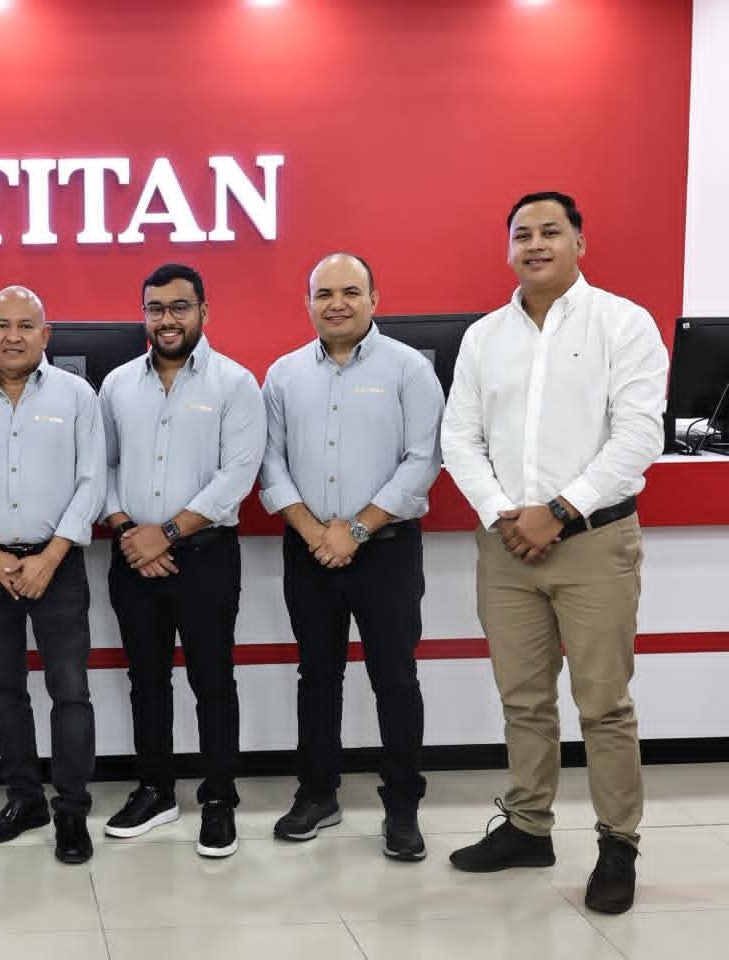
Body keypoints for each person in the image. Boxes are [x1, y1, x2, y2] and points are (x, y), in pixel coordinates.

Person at [441, 191, 669, 914]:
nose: (535, 244)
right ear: (508, 248)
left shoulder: (623, 324)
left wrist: (561, 511)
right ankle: (527, 827)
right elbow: (459, 437)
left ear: (579, 242)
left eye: (550, 231)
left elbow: (639, 436)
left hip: (594, 542)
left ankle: (617, 844)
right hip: (508, 545)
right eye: (522, 234)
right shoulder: (484, 337)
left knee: (604, 705)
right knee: (524, 700)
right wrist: (504, 514)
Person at [258, 253, 443, 861]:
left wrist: (356, 531)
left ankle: (402, 807)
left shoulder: (409, 369)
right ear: (308, 303)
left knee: (395, 679)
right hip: (309, 550)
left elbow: (423, 459)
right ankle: (317, 795)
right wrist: (315, 532)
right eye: (324, 294)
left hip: (386, 550)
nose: (336, 303)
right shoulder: (284, 375)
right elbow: (270, 462)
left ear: (374, 299)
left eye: (350, 292)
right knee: (317, 677)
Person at [98, 262, 266, 858]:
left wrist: (165, 534)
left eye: (179, 307)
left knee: (212, 680)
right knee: (145, 679)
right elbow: (101, 467)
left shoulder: (235, 384)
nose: (167, 319)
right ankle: (156, 790)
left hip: (206, 558)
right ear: (143, 315)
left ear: (202, 311)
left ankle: (219, 800)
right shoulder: (117, 385)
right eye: (155, 308)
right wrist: (128, 532)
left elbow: (237, 476)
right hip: (132, 558)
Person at [0, 286, 106, 865]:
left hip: (58, 565)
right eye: (2, 325)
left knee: (70, 690)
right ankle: (24, 799)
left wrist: (50, 557)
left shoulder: (77, 395)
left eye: (26, 325)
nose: (13, 336)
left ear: (45, 334)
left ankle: (72, 810)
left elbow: (92, 481)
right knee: (5, 688)